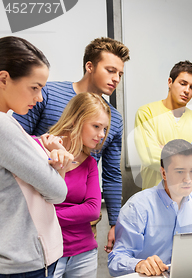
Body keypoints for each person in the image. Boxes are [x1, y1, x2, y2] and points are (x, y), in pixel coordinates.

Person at [14, 37, 130, 253]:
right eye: (110, 70)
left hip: (81, 222)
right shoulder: (47, 94)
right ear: (90, 66)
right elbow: (17, 138)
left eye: (120, 74)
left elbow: (112, 174)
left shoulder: (114, 118)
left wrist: (115, 222)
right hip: (38, 214)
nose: (116, 79)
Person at [0, 36, 74, 278]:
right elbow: (57, 191)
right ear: (3, 78)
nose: (40, 98)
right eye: (34, 87)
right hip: (21, 276)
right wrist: (59, 168)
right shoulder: (3, 126)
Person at [35, 92, 110, 278]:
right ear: (77, 120)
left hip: (84, 253)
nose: (101, 135)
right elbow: (32, 204)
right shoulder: (42, 149)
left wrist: (50, 214)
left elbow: (92, 210)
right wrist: (47, 212)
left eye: (104, 129)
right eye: (96, 126)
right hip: (49, 255)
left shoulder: (89, 163)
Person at [108, 139, 192, 277]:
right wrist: (139, 264)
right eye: (180, 172)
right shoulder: (137, 207)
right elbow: (116, 259)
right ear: (164, 173)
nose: (188, 179)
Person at [134, 60, 192, 190]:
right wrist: (186, 156)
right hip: (154, 197)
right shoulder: (147, 113)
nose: (187, 90)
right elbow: (149, 157)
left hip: (187, 198)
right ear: (170, 82)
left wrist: (165, 152)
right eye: (183, 84)